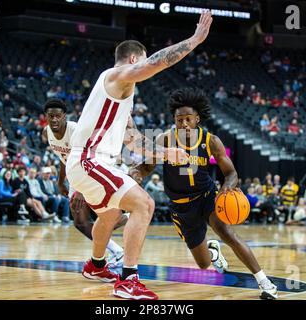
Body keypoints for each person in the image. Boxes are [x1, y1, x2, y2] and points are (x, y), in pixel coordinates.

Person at [66, 11, 213, 300]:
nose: (144, 67)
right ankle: (129, 280)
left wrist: (166, 153)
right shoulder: (117, 75)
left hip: (87, 164)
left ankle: (96, 266)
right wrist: (194, 40)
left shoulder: (121, 96)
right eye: (142, 61)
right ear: (135, 59)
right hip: (89, 160)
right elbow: (157, 63)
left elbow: (134, 142)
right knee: (144, 204)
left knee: (109, 215)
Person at [134, 87, 278, 299]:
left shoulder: (210, 140)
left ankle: (265, 283)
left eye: (188, 119)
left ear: (197, 119)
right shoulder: (165, 139)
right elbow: (146, 167)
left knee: (227, 233)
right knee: (203, 264)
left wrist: (228, 186)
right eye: (179, 119)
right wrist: (136, 173)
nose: (183, 124)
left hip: (207, 196)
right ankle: (213, 252)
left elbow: (231, 172)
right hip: (181, 206)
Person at [42, 99, 126, 266]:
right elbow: (63, 158)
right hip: (75, 174)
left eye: (58, 116)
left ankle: (120, 243)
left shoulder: (75, 131)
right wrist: (60, 182)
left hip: (91, 170)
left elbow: (85, 158)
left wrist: (80, 189)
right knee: (80, 223)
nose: (54, 120)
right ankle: (119, 246)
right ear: (46, 116)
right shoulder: (47, 132)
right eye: (51, 116)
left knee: (100, 216)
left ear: (64, 116)